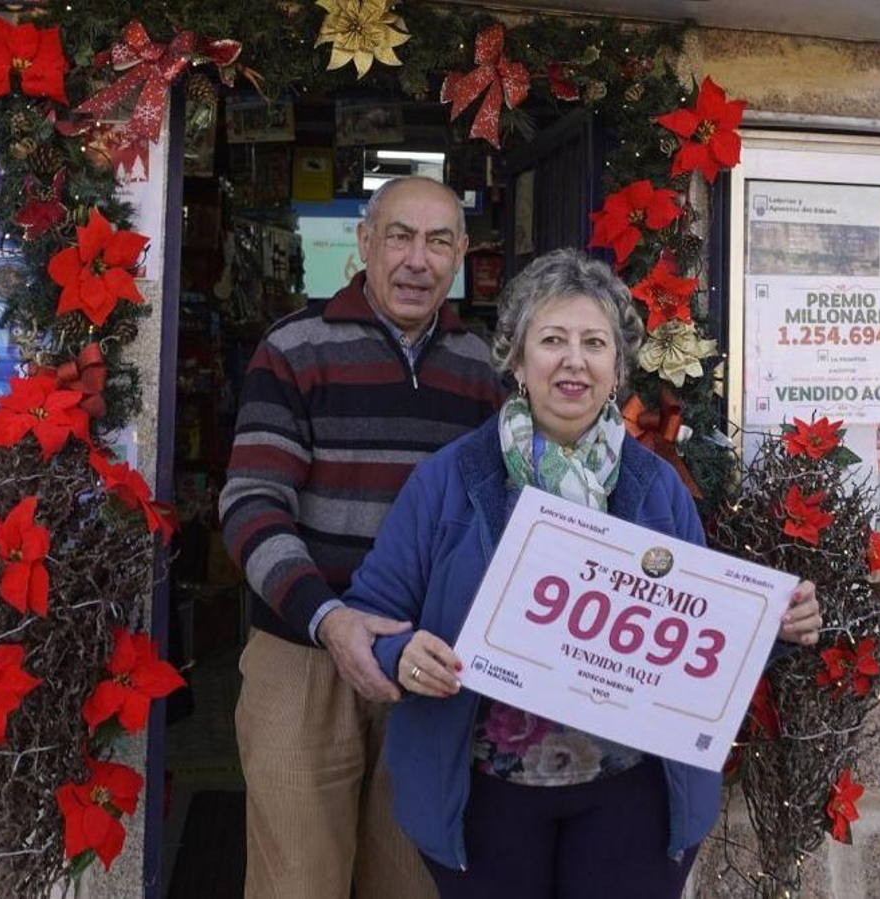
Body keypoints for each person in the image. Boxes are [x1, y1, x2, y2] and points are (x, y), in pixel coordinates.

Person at [341, 248, 822, 898]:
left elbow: (698, 637)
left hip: (630, 795)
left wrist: (773, 622)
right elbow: (373, 611)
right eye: (553, 339)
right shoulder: (450, 479)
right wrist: (401, 654)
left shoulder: (656, 487)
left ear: (617, 367)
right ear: (516, 358)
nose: (574, 359)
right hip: (486, 797)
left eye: (594, 342)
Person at [218, 176, 504, 898]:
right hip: (304, 654)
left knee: (414, 880)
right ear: (364, 243)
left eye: (439, 240)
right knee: (297, 883)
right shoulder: (294, 347)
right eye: (400, 236)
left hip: (430, 666)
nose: (418, 258)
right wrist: (329, 618)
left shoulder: (487, 373)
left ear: (462, 253)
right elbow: (251, 505)